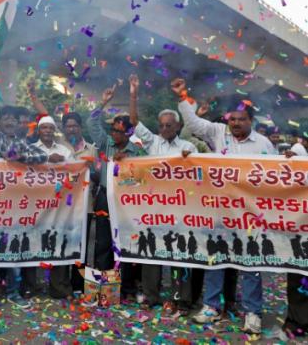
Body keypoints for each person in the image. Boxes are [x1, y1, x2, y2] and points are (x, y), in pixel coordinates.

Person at [172, 77, 275, 334]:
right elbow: (194, 123)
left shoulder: (264, 145)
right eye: (232, 119)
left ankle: (253, 313)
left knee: (251, 264)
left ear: (251, 121)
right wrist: (183, 96)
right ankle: (211, 307)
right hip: (221, 214)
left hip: (251, 217)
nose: (236, 123)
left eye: (242, 119)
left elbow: (276, 178)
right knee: (215, 260)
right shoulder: (219, 133)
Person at [0, 80, 50, 310]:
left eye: (13, 120)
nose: (9, 122)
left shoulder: (24, 144)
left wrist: (20, 158)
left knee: (12, 250)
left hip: (13, 209)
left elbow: (42, 157)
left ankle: (13, 292)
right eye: (4, 119)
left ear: (18, 125)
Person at [127, 74, 196, 313]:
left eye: (170, 125)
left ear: (178, 127)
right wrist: (133, 94)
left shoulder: (188, 148)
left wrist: (190, 163)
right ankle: (151, 295)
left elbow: (199, 177)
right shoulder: (152, 143)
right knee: (152, 254)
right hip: (155, 211)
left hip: (181, 213)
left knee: (181, 257)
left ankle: (182, 300)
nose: (165, 128)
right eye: (162, 125)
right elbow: (134, 121)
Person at [86, 83, 145, 300]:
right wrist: (103, 102)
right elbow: (91, 122)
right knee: (102, 243)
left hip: (127, 202)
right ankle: (105, 291)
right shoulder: (106, 143)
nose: (115, 134)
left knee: (125, 245)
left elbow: (143, 177)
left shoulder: (137, 151)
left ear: (129, 133)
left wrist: (128, 162)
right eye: (113, 130)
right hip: (104, 198)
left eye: (119, 131)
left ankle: (126, 289)